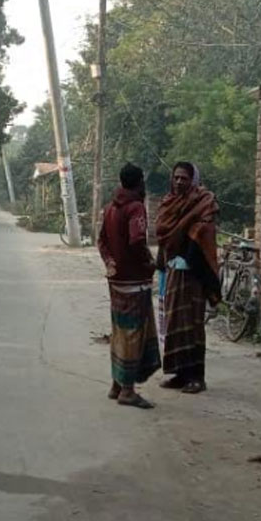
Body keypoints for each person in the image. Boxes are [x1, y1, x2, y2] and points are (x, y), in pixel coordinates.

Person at [98, 163, 161, 409]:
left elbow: (101, 240)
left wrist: (110, 263)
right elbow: (137, 240)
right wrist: (149, 263)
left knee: (120, 331)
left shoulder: (110, 207)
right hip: (134, 281)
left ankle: (116, 384)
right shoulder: (135, 208)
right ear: (139, 182)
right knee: (134, 333)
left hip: (116, 281)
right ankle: (127, 390)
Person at [155, 161, 220, 394]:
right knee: (174, 323)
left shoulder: (204, 202)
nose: (180, 181)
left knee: (192, 324)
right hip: (173, 270)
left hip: (194, 272)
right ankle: (179, 374)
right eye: (176, 177)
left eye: (184, 178)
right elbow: (162, 232)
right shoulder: (168, 203)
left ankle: (196, 377)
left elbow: (205, 231)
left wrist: (191, 235)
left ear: (192, 180)